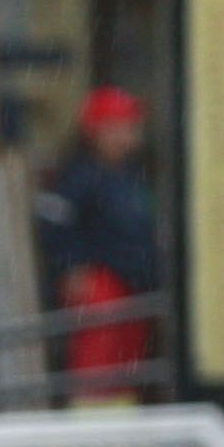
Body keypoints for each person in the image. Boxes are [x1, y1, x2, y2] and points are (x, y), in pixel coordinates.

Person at [34, 87, 161, 400]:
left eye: (130, 127)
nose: (125, 136)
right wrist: (73, 266)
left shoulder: (132, 175)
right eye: (116, 127)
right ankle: (91, 430)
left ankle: (123, 428)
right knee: (96, 368)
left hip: (135, 284)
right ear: (94, 131)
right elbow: (55, 225)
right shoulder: (77, 175)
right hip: (100, 286)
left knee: (130, 366)